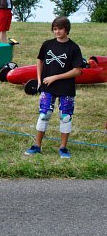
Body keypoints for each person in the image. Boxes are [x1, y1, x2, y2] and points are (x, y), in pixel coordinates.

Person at [25, 17, 83, 158]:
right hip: (47, 87)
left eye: (60, 29)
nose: (57, 31)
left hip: (66, 88)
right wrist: (39, 79)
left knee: (65, 117)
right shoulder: (47, 45)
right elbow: (40, 60)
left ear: (67, 29)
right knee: (44, 114)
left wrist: (55, 77)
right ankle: (37, 145)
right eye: (55, 29)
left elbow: (77, 71)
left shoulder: (73, 48)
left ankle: (63, 148)